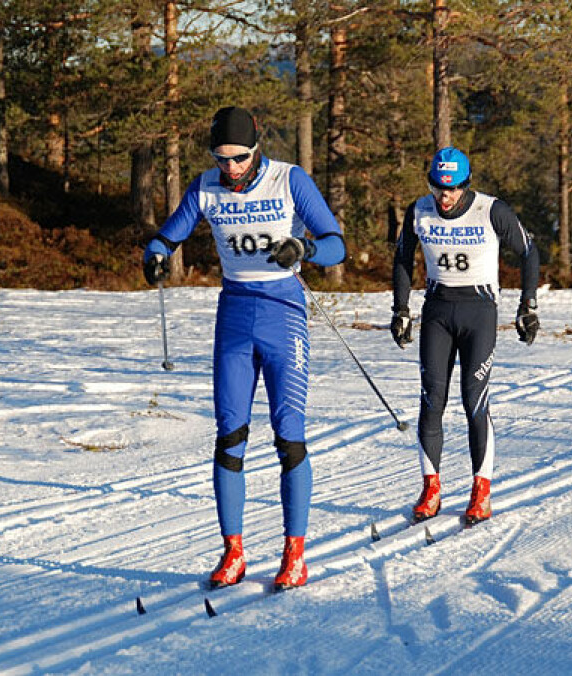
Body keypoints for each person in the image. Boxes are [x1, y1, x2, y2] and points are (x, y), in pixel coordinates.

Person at [144, 106, 345, 590]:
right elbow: (167, 236)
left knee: (287, 434)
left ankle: (294, 554)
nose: (230, 168)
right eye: (221, 158)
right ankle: (233, 552)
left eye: (239, 158)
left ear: (258, 148)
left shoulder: (289, 180)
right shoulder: (205, 187)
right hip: (234, 316)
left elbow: (336, 243)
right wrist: (154, 254)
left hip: (284, 315)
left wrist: (306, 249)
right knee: (230, 435)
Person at [391, 147, 540, 525]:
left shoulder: (491, 210)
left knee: (475, 400)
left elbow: (529, 251)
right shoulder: (419, 210)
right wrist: (401, 310)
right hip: (438, 310)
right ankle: (431, 487)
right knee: (431, 399)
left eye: (454, 189)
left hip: (479, 312)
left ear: (466, 184)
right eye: (439, 188)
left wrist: (529, 305)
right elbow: (403, 260)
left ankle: (481, 490)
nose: (445, 197)